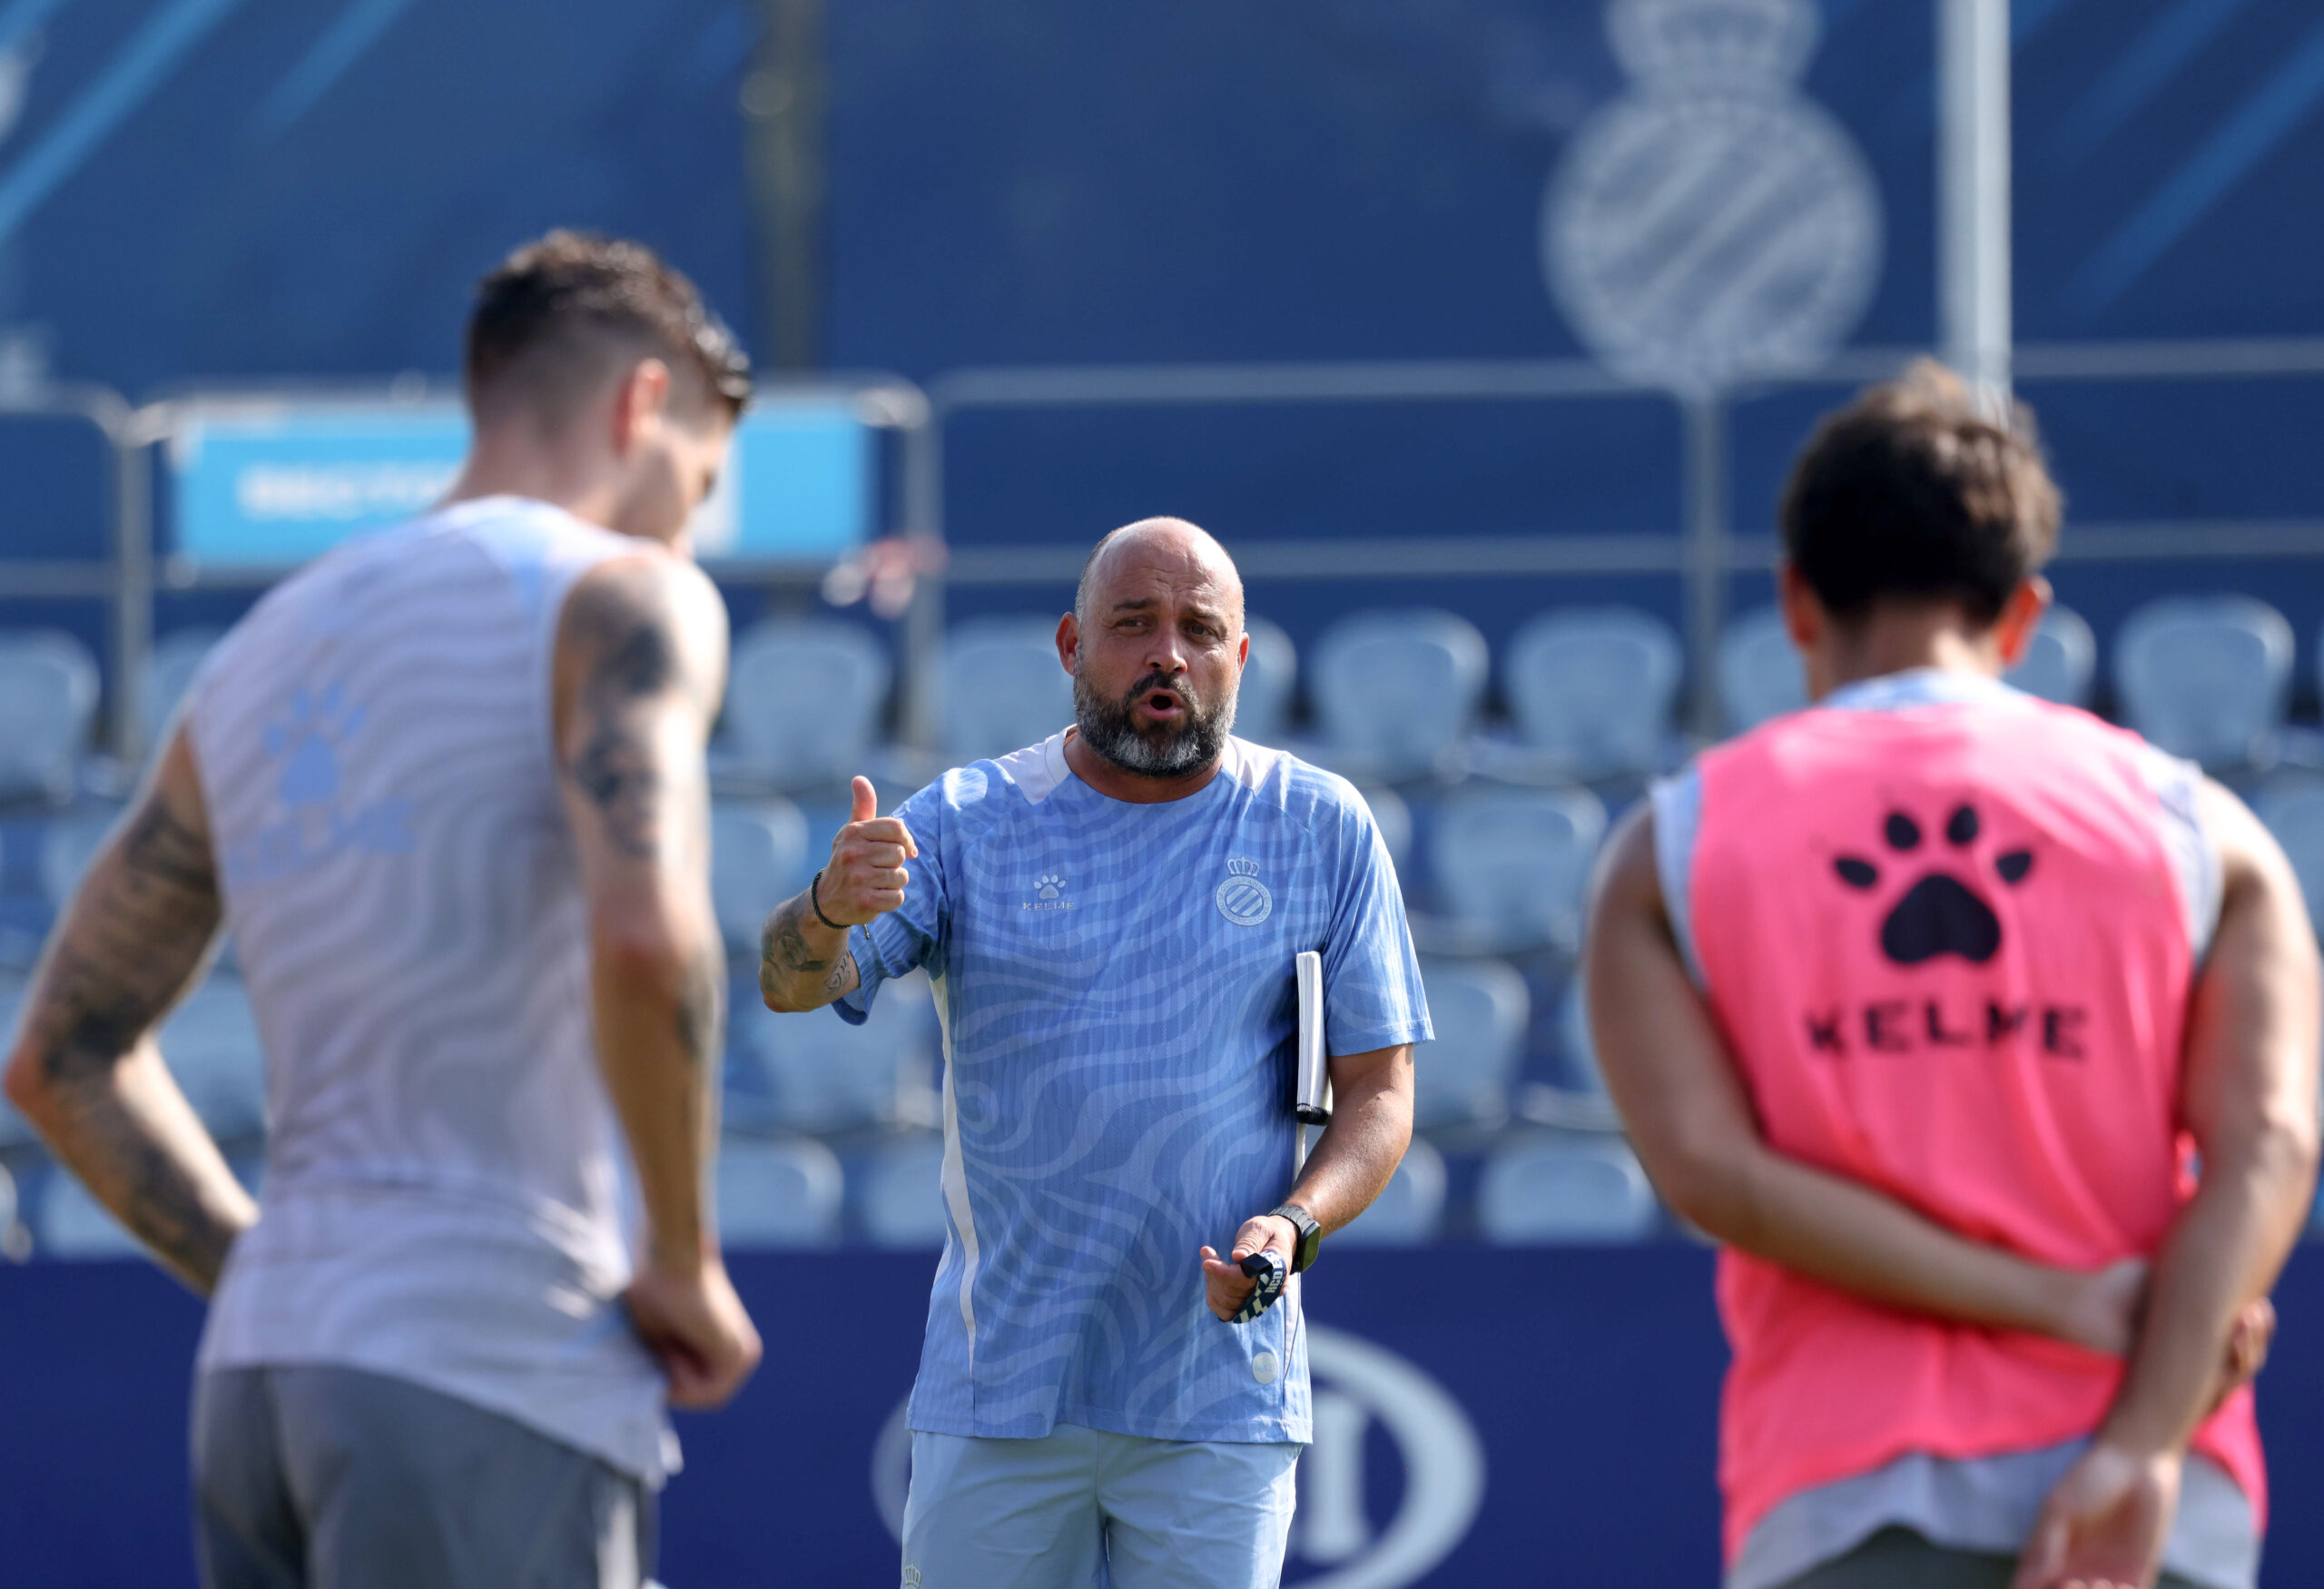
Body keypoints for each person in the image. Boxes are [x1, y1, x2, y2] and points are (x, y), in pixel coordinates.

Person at [4, 231, 764, 1588]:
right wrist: (684, 1259)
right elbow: (648, 936)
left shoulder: (254, 657)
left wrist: (294, 1281)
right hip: (496, 1362)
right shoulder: (628, 595)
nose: (688, 527)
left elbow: (55, 1058)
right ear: (641, 404)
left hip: (262, 1380)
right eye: (696, 483)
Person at [1584, 362, 2320, 1589]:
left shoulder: (1668, 848)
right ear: (2023, 614)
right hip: (2156, 1496)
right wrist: (2139, 1438)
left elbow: (1715, 1174)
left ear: (1798, 602)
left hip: (1845, 1490)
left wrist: (2056, 1298)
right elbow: (2274, 1145)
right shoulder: (2209, 831)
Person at [757, 516, 1431, 1589]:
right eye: (1134, 624)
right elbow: (791, 985)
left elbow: (1381, 1091)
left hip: (1218, 1391)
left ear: (1241, 660)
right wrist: (829, 908)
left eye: (1200, 629)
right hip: (1000, 1392)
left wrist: (1294, 1225)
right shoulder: (971, 819)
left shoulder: (1321, 826)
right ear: (1072, 646)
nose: (1169, 652)